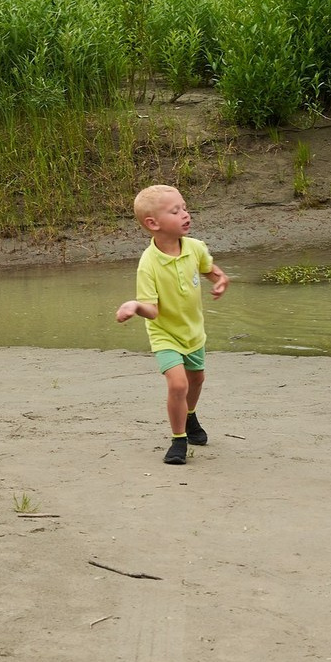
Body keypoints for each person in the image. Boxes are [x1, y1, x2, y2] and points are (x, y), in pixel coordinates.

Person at [115, 185, 229, 464]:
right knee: (178, 385)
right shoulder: (148, 264)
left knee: (196, 380)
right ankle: (178, 440)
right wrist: (134, 306)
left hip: (193, 331)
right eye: (175, 211)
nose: (185, 214)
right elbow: (152, 311)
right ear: (153, 224)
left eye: (185, 208)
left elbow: (211, 271)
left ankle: (190, 417)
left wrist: (220, 281)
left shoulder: (195, 248)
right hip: (164, 333)